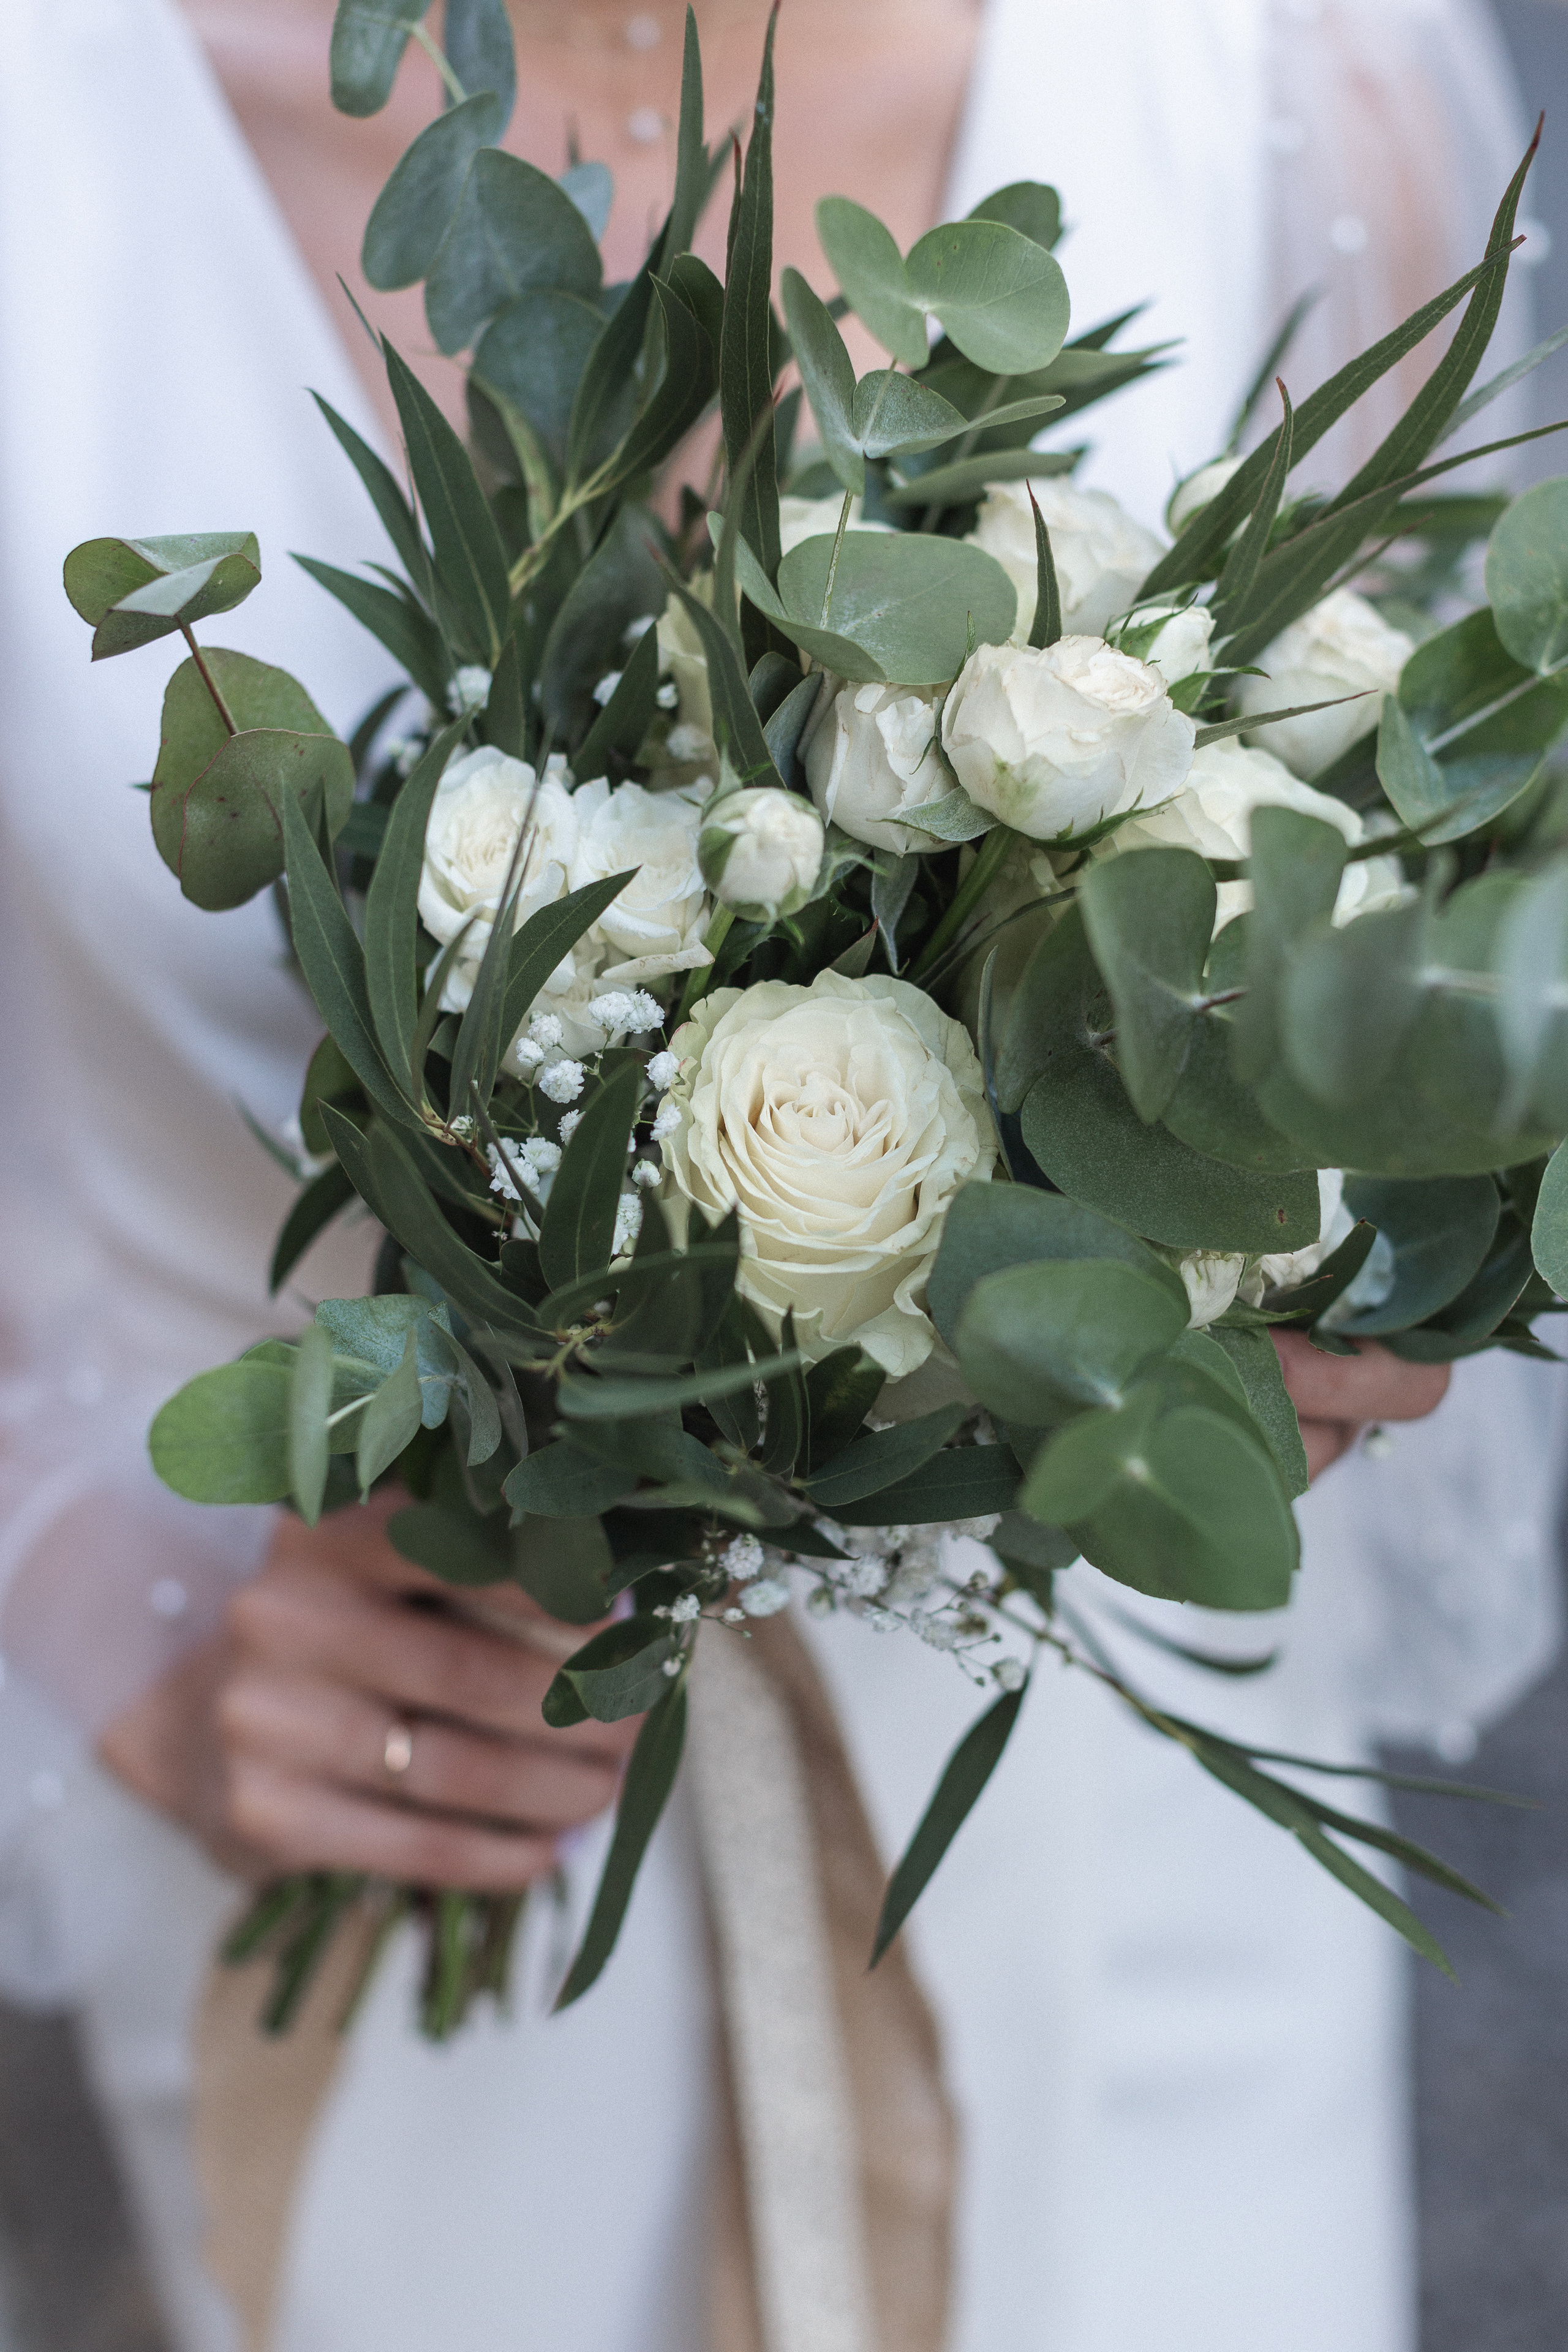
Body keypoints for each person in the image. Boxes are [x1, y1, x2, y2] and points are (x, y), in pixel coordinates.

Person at [1, 4, 1562, 2348]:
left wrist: (1312, 1251)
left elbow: (1445, 948)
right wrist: (99, 1597)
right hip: (392, 1822)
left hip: (1130, 1899)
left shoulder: (1270, 73)